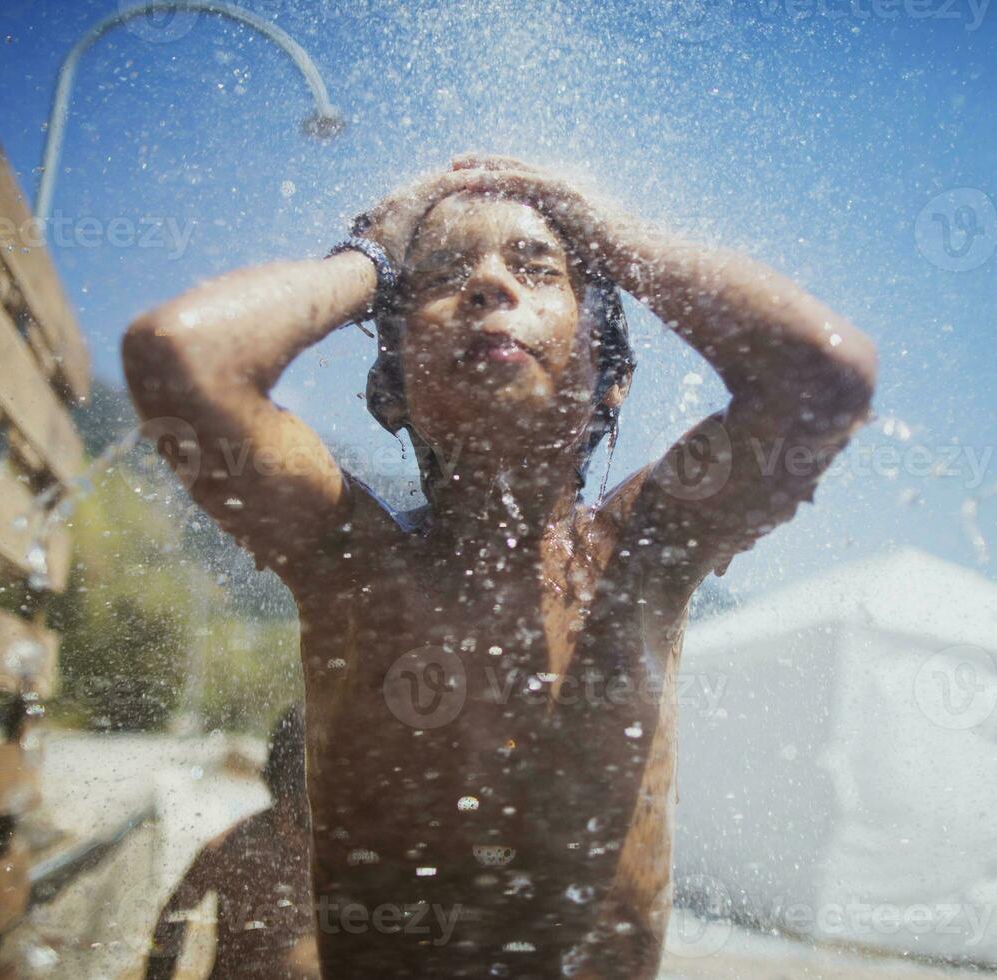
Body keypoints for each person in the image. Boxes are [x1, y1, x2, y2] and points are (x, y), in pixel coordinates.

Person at [123, 153, 876, 978]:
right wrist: (373, 254)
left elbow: (822, 373)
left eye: (537, 268)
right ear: (391, 393)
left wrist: (615, 239)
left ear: (610, 378)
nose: (489, 286)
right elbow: (179, 354)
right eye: (444, 274)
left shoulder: (643, 556)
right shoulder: (350, 563)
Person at [144, 705, 317, 979]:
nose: (302, 826)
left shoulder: (343, 854)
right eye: (296, 805)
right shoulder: (235, 847)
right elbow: (172, 918)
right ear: (279, 785)